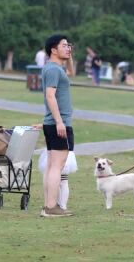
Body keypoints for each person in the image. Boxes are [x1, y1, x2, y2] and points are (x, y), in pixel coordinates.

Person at [41, 34, 75, 217]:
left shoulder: (55, 68)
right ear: (53, 50)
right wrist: (60, 122)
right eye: (64, 45)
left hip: (53, 123)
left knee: (52, 165)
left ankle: (49, 205)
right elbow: (50, 96)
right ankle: (51, 207)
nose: (68, 48)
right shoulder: (54, 70)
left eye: (69, 45)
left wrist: (70, 55)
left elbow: (72, 73)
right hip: (58, 123)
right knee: (57, 166)